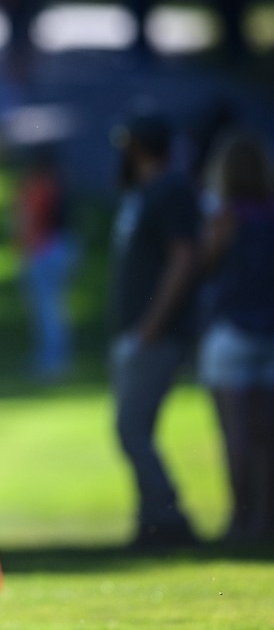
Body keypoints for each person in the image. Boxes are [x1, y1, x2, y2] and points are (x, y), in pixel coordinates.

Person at [108, 110, 202, 549]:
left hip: (154, 333)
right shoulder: (143, 191)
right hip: (136, 331)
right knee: (133, 429)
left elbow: (184, 259)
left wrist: (152, 323)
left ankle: (169, 518)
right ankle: (152, 521)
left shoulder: (170, 190)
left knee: (132, 429)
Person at [197, 132, 274, 544]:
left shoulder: (224, 216)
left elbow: (204, 268)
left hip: (232, 332)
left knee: (237, 433)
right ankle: (265, 517)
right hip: (270, 333)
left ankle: (240, 519)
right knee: (267, 436)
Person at [15, 148, 76, 381]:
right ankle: (56, 359)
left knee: (48, 308)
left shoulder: (40, 188)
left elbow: (28, 221)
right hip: (62, 248)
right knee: (55, 307)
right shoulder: (61, 185)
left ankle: (53, 361)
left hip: (45, 249)